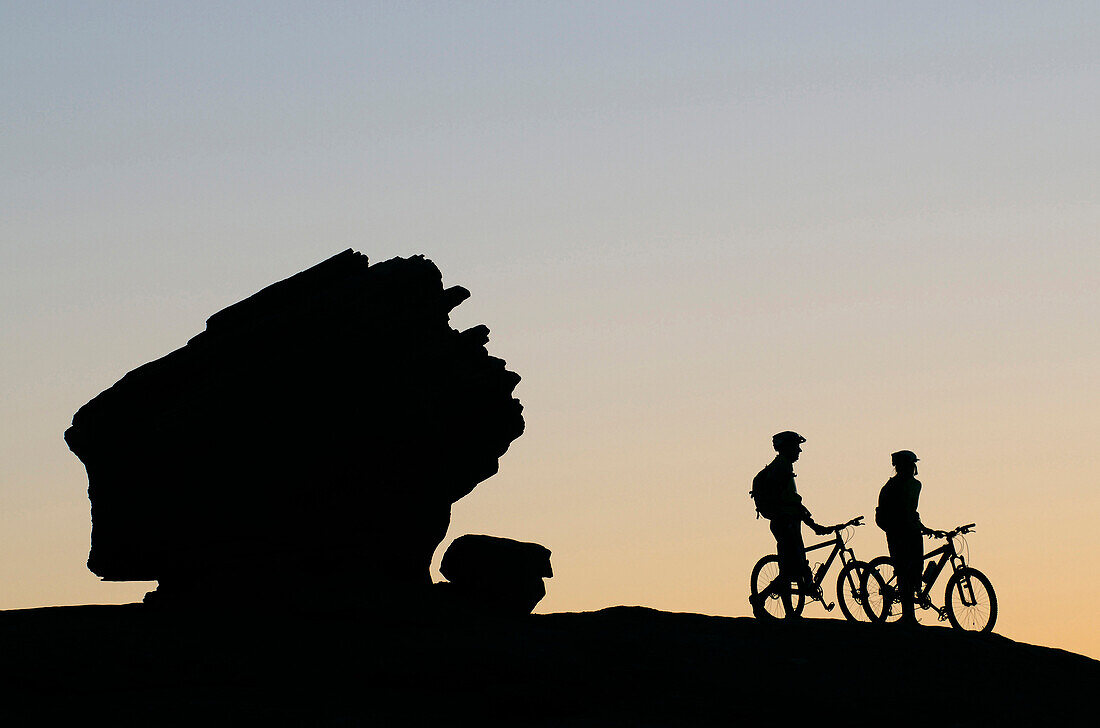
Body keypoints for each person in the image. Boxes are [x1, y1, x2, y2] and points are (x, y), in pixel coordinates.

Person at [750, 431, 836, 613]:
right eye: (796, 446)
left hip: (788, 521)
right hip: (785, 521)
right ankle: (766, 601)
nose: (799, 451)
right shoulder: (782, 467)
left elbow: (792, 500)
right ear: (787, 447)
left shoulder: (783, 466)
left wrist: (808, 520)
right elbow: (789, 500)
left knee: (793, 566)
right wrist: (810, 522)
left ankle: (786, 609)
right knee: (789, 569)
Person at [875, 450, 935, 626]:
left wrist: (922, 527)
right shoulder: (890, 487)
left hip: (912, 531)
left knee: (916, 568)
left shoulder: (916, 485)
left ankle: (911, 614)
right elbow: (892, 513)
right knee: (903, 571)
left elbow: (911, 511)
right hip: (897, 532)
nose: (912, 468)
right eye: (908, 464)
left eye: (912, 465)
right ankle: (907, 614)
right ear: (899, 467)